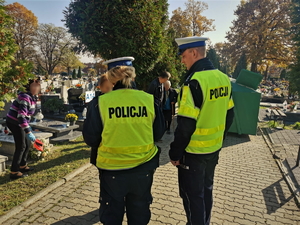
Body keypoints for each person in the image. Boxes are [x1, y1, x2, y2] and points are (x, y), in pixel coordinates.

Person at [82, 57, 165, 225]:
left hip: (111, 170)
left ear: (111, 78)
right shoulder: (149, 100)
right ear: (132, 76)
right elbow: (158, 134)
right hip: (143, 167)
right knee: (139, 214)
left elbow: (91, 138)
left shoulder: (100, 103)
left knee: (112, 216)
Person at [169, 36, 235, 225]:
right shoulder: (223, 78)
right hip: (213, 150)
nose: (182, 60)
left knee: (192, 198)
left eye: (183, 55)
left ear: (194, 53)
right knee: (207, 191)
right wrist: (218, 139)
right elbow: (229, 115)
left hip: (194, 153)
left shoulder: (193, 82)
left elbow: (185, 126)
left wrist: (175, 152)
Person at [6, 79, 41, 179]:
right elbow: (21, 116)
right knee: (21, 146)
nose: (36, 88)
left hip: (21, 122)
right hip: (14, 122)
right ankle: (14, 171)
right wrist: (28, 131)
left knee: (27, 143)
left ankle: (22, 165)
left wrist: (27, 127)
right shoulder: (25, 97)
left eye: (37, 86)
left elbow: (27, 115)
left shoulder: (33, 97)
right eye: (33, 86)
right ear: (28, 86)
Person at [90, 73, 113, 166]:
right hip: (100, 147)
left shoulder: (115, 101)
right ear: (100, 87)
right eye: (107, 88)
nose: (110, 91)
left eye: (111, 88)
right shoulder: (96, 103)